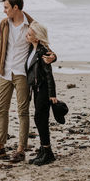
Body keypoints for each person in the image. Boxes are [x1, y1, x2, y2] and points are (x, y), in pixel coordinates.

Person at [0, 0, 56, 163]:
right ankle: (0, 147)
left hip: (22, 74)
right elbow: (1, 45)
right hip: (5, 73)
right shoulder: (4, 24)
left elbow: (45, 46)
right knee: (1, 109)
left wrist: (53, 57)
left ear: (16, 7)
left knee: (22, 112)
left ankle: (21, 149)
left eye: (6, 7)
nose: (4, 10)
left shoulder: (32, 25)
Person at [25, 21, 57, 166]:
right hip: (37, 89)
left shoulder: (43, 52)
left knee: (40, 118)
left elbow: (49, 74)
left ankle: (47, 152)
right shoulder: (32, 48)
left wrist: (52, 95)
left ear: (36, 38)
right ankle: (43, 149)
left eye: (29, 34)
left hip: (44, 89)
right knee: (39, 118)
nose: (27, 35)